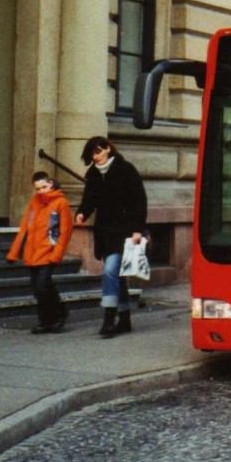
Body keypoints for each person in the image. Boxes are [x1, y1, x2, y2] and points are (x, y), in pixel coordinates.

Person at [75, 136, 147, 339]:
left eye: (97, 152)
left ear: (108, 149)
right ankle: (125, 320)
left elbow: (139, 200)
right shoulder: (93, 174)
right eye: (92, 154)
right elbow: (89, 199)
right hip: (104, 231)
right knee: (117, 276)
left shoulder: (125, 169)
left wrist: (137, 229)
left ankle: (108, 318)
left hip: (124, 231)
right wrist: (82, 212)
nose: (95, 157)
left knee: (109, 271)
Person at [7, 171, 72, 334]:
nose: (41, 191)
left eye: (44, 187)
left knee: (43, 286)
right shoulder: (34, 202)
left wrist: (56, 254)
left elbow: (65, 231)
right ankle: (47, 320)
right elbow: (25, 228)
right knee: (38, 288)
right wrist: (13, 252)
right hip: (33, 251)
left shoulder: (61, 203)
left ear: (51, 184)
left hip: (48, 251)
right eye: (37, 188)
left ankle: (57, 316)